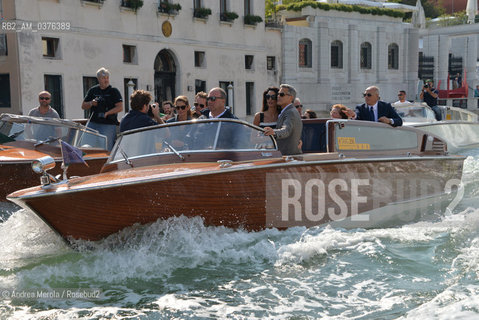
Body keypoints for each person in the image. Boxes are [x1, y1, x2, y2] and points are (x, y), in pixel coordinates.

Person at [81, 67, 123, 151]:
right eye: (103, 78)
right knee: (85, 145)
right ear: (98, 79)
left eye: (107, 78)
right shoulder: (93, 90)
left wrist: (107, 113)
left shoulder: (113, 91)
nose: (106, 80)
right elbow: (83, 106)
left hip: (108, 124)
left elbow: (120, 107)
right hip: (93, 122)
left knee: (106, 149)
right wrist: (91, 103)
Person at [264, 84, 303, 155]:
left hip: (289, 157)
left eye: (282, 94)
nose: (278, 96)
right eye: (278, 94)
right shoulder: (288, 111)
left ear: (291, 98)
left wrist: (274, 132)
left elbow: (286, 130)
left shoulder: (290, 112)